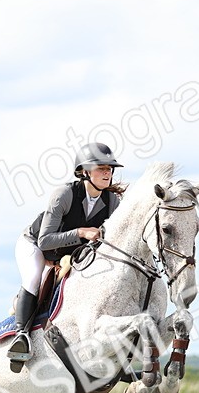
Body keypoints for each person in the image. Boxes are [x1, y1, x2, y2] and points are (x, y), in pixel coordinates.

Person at [8, 142, 126, 362]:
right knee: (34, 279)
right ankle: (21, 336)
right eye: (101, 167)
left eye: (110, 169)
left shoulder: (112, 202)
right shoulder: (64, 194)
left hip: (68, 254)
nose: (107, 172)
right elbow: (44, 241)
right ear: (84, 171)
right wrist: (81, 232)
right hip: (34, 244)